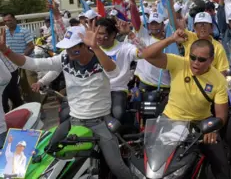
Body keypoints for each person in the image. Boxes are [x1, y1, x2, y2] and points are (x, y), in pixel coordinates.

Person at [0, 24, 134, 179]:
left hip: (99, 122)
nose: (69, 51)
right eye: (67, 47)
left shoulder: (100, 59)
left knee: (116, 166)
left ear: (85, 46)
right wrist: (5, 51)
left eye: (73, 48)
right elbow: (32, 64)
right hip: (74, 120)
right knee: (47, 151)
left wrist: (96, 48)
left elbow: (113, 71)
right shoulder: (64, 57)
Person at [141, 33, 230, 179]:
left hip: (201, 124)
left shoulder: (219, 80)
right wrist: (170, 39)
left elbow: (221, 114)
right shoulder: (179, 63)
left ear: (211, 60)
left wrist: (213, 129)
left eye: (201, 59)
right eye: (192, 57)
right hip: (170, 119)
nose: (195, 62)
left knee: (221, 165)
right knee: (152, 163)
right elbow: (146, 54)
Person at [2, 13, 31, 112]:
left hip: (26, 61)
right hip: (11, 65)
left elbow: (31, 46)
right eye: (5, 21)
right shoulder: (4, 33)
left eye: (9, 20)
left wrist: (21, 58)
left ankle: (39, 109)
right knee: (16, 89)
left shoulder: (24, 31)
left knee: (30, 87)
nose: (7, 23)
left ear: (15, 19)